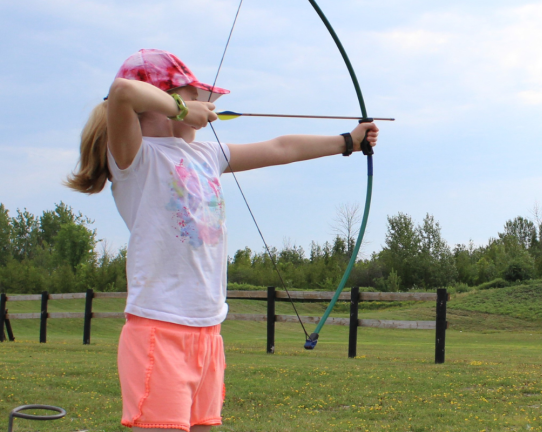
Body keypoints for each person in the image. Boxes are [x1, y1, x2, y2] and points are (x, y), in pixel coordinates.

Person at [65, 49, 379, 432]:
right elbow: (122, 92)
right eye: (192, 95)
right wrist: (181, 109)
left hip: (208, 332)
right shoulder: (134, 158)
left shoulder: (207, 154)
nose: (204, 107)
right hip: (158, 330)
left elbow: (281, 148)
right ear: (159, 103)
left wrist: (347, 140)